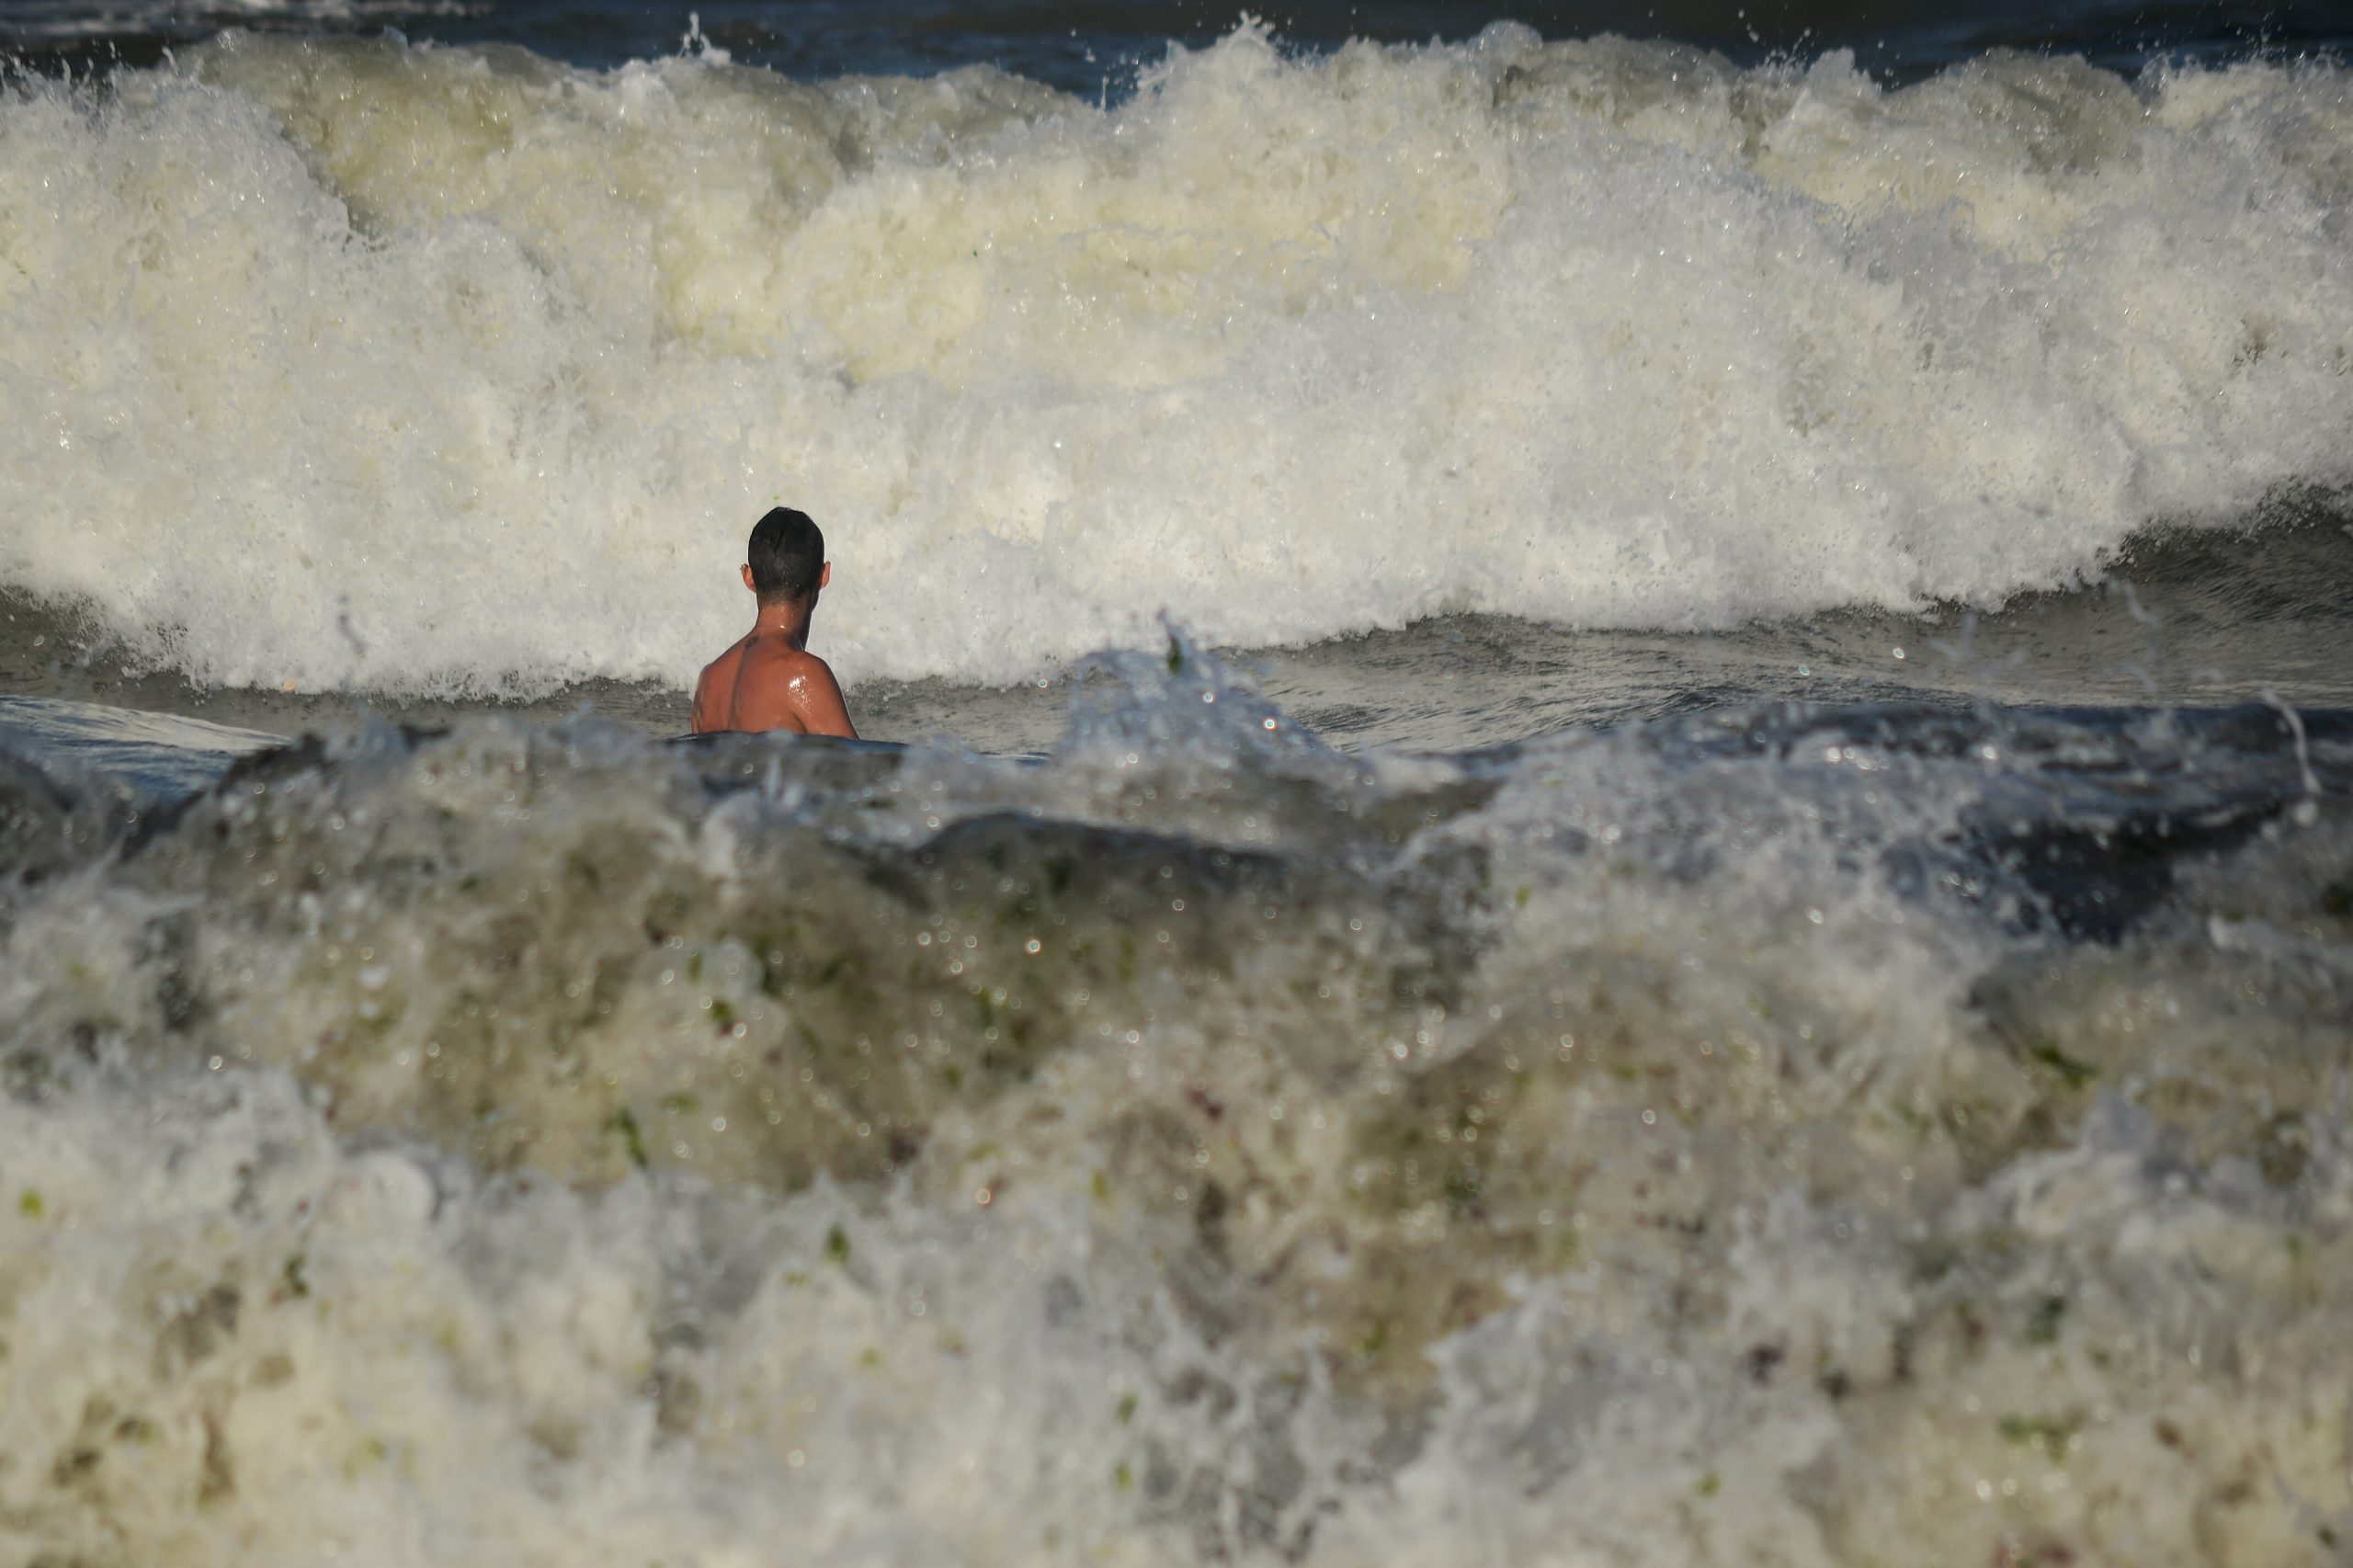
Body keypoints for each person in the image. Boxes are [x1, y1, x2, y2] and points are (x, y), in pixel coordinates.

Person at [689, 506, 858, 738]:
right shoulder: (803, 674)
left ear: (748, 577)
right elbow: (857, 771)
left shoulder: (708, 682)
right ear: (824, 575)